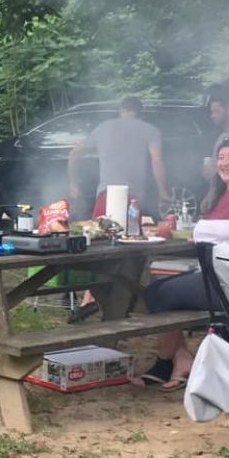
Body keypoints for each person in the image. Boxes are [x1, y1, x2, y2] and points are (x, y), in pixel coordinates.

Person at [133, 137, 229, 392]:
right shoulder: (222, 195)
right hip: (214, 275)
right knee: (157, 289)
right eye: (221, 157)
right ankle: (180, 359)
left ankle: (167, 363)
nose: (225, 163)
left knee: (156, 293)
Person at [67, 97, 171, 319]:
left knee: (97, 249)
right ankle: (109, 301)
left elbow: (74, 153)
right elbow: (156, 161)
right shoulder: (150, 130)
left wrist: (73, 181)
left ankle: (92, 299)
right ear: (139, 112)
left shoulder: (102, 128)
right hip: (132, 199)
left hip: (105, 195)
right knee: (130, 252)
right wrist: (163, 191)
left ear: (121, 111)